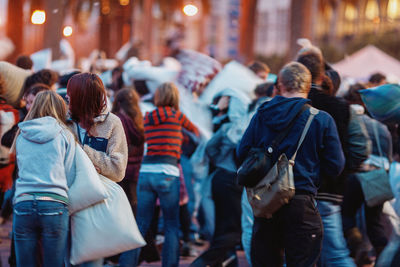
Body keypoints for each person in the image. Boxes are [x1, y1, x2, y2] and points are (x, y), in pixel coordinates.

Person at [237, 62, 345, 267]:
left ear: (280, 84)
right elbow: (336, 166)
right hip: (301, 200)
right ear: (307, 86)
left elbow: (242, 152)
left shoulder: (262, 113)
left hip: (266, 202)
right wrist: (311, 174)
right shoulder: (321, 119)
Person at [297, 48, 368, 266]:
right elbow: (361, 149)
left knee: (295, 255)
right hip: (329, 191)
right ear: (322, 74)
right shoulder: (342, 108)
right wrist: (342, 171)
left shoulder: (286, 106)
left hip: (292, 191)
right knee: (335, 255)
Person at [119, 82, 199, 267]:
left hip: (146, 172)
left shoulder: (147, 117)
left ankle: (126, 264)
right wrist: (181, 141)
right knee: (171, 225)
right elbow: (195, 134)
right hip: (168, 172)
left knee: (140, 224)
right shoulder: (177, 116)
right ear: (174, 97)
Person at [67, 73, 128, 267]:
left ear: (81, 96)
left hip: (96, 206)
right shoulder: (64, 122)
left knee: (91, 263)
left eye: (70, 94)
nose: (66, 98)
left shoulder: (112, 123)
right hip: (66, 205)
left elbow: (118, 170)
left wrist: (83, 151)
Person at [13, 90, 76, 267]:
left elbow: (21, 168)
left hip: (24, 201)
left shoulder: (21, 134)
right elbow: (69, 172)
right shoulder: (65, 134)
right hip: (54, 202)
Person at [111, 88, 145, 213]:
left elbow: (117, 147)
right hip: (136, 170)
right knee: (133, 203)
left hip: (120, 171)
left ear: (118, 103)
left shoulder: (117, 120)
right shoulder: (139, 120)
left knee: (120, 207)